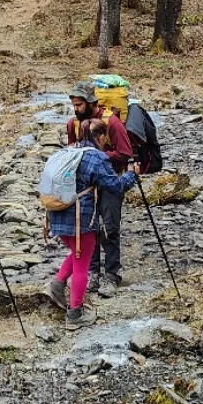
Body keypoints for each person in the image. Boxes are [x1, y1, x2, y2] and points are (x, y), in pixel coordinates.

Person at [47, 119, 139, 328]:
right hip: (80, 217)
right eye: (105, 138)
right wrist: (132, 175)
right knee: (83, 264)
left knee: (78, 253)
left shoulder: (67, 152)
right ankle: (75, 314)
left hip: (56, 213)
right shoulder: (95, 157)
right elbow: (115, 186)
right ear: (100, 137)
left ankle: (57, 286)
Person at [66, 81, 133, 292]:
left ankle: (112, 274)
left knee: (110, 227)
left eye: (79, 105)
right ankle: (92, 272)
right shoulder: (73, 125)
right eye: (74, 105)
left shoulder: (111, 123)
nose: (75, 109)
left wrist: (97, 156)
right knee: (88, 228)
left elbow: (125, 153)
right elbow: (71, 152)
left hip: (111, 182)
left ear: (91, 103)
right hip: (86, 186)